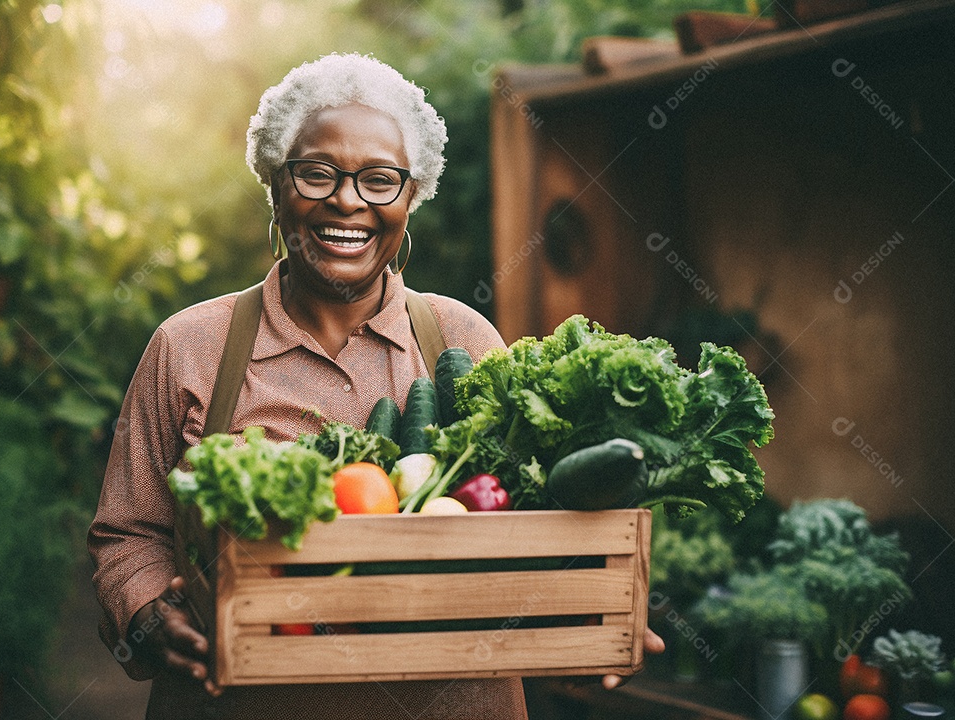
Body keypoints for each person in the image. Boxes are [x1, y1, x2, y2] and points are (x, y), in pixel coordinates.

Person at [88, 52, 662, 720]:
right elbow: (127, 533)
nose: (347, 200)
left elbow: (537, 520)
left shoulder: (463, 341)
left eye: (380, 180)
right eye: (316, 172)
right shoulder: (189, 346)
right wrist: (150, 614)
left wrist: (587, 617)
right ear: (276, 184)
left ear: (410, 197)